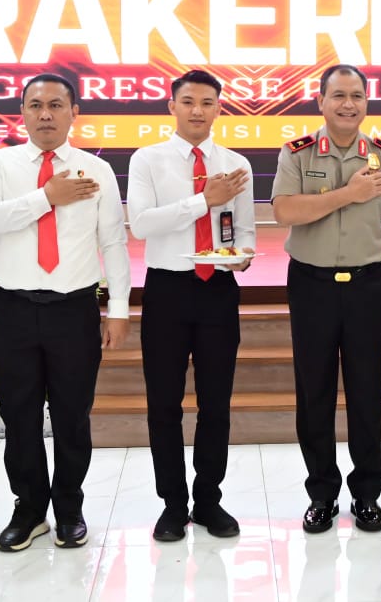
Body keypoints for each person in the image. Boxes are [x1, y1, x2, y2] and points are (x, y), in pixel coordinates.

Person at [0, 72, 131, 552]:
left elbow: (113, 241)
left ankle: (69, 508)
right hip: (12, 310)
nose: (45, 115)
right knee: (18, 416)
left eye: (56, 105)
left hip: (73, 311)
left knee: (72, 416)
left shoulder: (96, 170)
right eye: (35, 105)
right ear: (21, 112)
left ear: (74, 113)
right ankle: (28, 509)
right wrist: (46, 197)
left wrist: (119, 309)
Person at [271, 64, 381, 534]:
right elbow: (284, 210)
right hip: (311, 285)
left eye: (356, 95)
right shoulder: (296, 153)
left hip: (367, 285)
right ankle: (322, 494)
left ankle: (367, 494)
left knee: (366, 391)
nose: (348, 104)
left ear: (366, 103)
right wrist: (348, 194)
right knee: (313, 392)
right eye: (338, 95)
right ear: (321, 101)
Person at [127, 69, 256, 543]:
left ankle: (208, 501)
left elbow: (245, 229)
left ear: (219, 108)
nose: (197, 110)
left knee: (215, 403)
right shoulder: (148, 159)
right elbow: (141, 224)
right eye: (188, 102)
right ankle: (172, 505)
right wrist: (204, 200)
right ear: (172, 107)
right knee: (163, 404)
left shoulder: (235, 163)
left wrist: (241, 256)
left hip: (218, 289)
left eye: (206, 102)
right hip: (167, 289)